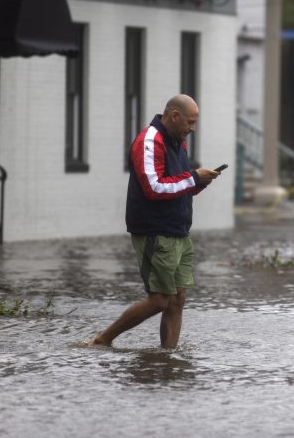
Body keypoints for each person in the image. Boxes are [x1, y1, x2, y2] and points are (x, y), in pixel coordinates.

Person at [89, 94, 220, 349]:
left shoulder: (178, 141)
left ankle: (167, 358)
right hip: (155, 231)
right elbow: (154, 187)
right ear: (174, 116)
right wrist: (194, 178)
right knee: (160, 299)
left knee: (178, 298)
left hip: (179, 230)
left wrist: (199, 183)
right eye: (190, 122)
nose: (193, 129)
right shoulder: (149, 141)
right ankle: (103, 339)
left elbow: (179, 185)